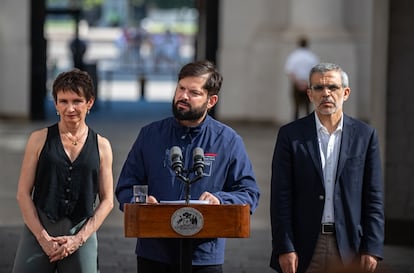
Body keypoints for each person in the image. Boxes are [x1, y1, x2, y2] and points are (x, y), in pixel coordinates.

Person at [115, 60, 260, 273]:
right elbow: (126, 186)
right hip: (155, 253)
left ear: (211, 101)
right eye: (181, 88)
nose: (183, 96)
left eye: (193, 92)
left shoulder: (228, 140)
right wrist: (140, 201)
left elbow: (249, 193)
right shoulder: (150, 135)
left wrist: (220, 199)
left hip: (204, 256)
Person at [269, 63, 384, 273]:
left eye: (333, 87)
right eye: (319, 88)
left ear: (345, 92)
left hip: (350, 245)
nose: (326, 94)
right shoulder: (290, 135)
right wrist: (284, 247)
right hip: (303, 247)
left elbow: (373, 197)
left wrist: (372, 247)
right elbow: (280, 197)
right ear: (310, 94)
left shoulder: (365, 136)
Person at [12, 69, 114, 273]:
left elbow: (108, 200)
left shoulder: (102, 145)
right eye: (63, 101)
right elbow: (23, 194)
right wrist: (43, 238)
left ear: (89, 103)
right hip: (39, 227)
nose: (70, 108)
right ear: (56, 103)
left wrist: (79, 239)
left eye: (77, 101)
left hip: (81, 231)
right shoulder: (38, 139)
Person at [284, 36, 320, 120]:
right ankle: (308, 127)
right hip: (308, 84)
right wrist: (306, 83)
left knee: (296, 107)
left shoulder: (294, 56)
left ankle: (295, 127)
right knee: (308, 107)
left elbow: (290, 71)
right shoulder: (312, 56)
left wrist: (297, 83)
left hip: (296, 84)